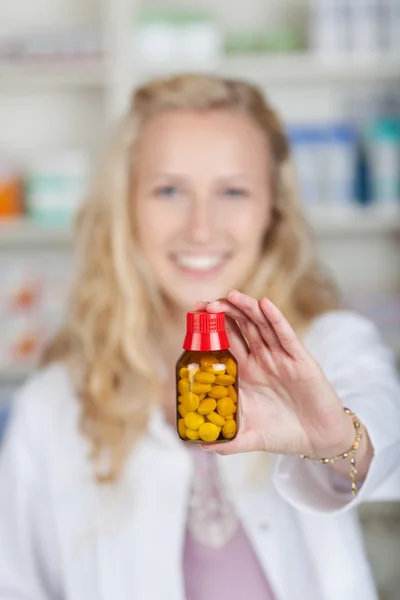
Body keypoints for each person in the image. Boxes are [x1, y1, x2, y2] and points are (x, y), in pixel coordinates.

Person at [0, 74, 399, 600]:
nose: (201, 229)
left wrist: (334, 440)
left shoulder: (331, 344)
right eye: (169, 190)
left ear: (272, 213)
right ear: (127, 207)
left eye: (233, 190)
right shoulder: (50, 407)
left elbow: (380, 427)